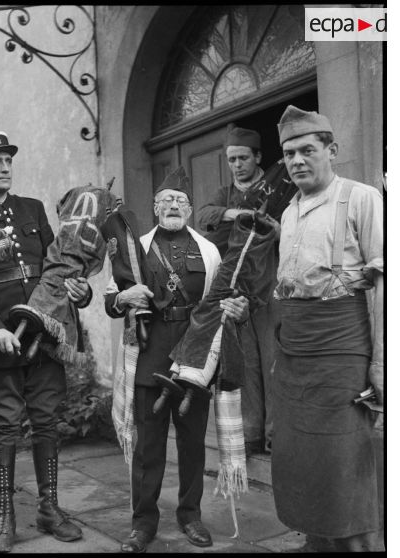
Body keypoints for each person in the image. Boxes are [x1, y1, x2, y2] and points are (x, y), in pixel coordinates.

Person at [0, 130, 92, 553]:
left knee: (47, 421)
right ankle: (5, 514)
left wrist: (79, 292)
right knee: (4, 429)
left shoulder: (32, 208)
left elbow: (57, 267)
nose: (5, 167)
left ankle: (50, 507)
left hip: (42, 338)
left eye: (8, 159)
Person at [104, 167, 248, 553]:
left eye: (180, 201)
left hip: (196, 358)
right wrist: (122, 298)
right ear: (154, 207)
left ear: (190, 208)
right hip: (150, 354)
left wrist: (238, 308)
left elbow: (226, 300)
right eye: (165, 200)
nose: (172, 205)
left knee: (192, 444)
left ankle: (190, 516)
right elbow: (109, 300)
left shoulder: (209, 249)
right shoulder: (135, 246)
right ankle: (143, 523)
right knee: (148, 446)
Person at [271, 105, 383, 552]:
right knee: (301, 455)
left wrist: (381, 363)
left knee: (342, 456)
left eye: (306, 150)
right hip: (296, 348)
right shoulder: (288, 211)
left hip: (342, 345)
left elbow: (384, 286)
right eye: (288, 153)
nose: (296, 161)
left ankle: (355, 547)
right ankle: (317, 541)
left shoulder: (360, 198)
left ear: (331, 150)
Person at [197, 127, 276, 454]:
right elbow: (203, 216)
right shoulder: (223, 193)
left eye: (243, 158)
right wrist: (237, 213)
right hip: (234, 291)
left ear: (258, 157)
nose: (237, 165)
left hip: (269, 289)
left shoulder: (274, 189)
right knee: (244, 365)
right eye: (232, 160)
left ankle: (275, 436)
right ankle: (251, 434)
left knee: (272, 362)